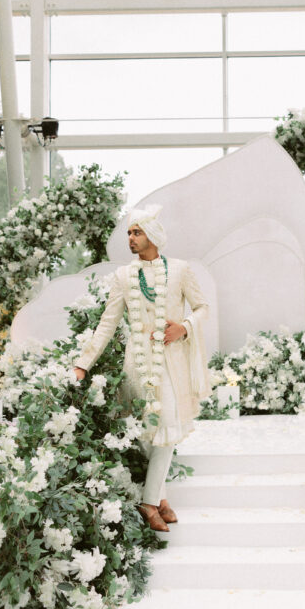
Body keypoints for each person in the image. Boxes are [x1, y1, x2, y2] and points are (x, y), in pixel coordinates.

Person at [73, 204, 211, 532]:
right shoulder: (123, 276)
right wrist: (82, 364)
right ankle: (159, 499)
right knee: (151, 434)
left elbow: (203, 307)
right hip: (137, 365)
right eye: (129, 233)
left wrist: (185, 327)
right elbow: (107, 324)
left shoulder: (179, 270)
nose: (131, 239)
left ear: (154, 235)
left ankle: (149, 502)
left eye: (137, 232)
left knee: (166, 426)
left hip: (172, 364)